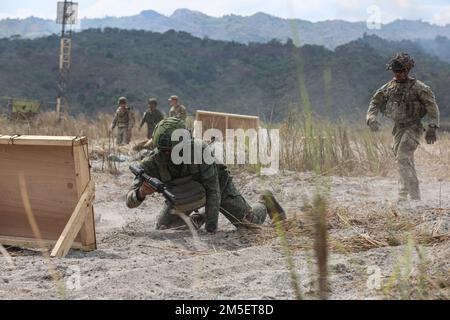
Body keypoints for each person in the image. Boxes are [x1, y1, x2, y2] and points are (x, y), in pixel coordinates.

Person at [126, 117, 286, 232]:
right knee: (165, 228)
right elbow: (130, 202)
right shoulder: (151, 163)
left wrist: (211, 226)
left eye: (172, 150)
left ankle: (265, 201)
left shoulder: (201, 152)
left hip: (218, 189)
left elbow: (213, 190)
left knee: (249, 224)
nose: (168, 155)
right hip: (183, 197)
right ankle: (198, 217)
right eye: (164, 151)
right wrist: (141, 193)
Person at [366, 52, 440, 202]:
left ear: (408, 70)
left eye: (401, 71)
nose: (398, 74)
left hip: (414, 127)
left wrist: (432, 127)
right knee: (405, 161)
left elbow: (432, 107)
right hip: (398, 128)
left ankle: (402, 195)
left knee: (402, 157)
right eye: (396, 71)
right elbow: (375, 103)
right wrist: (371, 118)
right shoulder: (388, 88)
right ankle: (415, 196)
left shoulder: (420, 88)